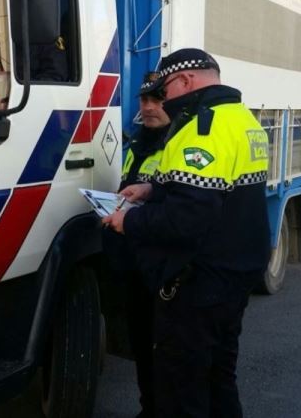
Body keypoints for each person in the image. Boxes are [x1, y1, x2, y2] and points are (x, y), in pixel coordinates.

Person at [103, 48, 271, 417]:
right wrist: (150, 190)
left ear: (185, 80)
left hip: (200, 283)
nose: (164, 100)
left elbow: (187, 219)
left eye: (165, 90)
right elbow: (216, 191)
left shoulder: (202, 127)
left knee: (183, 389)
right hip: (236, 272)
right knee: (219, 378)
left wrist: (127, 221)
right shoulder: (242, 119)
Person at [103, 71, 170, 418]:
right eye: (144, 100)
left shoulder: (177, 145)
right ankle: (149, 409)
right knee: (142, 346)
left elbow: (176, 208)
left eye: (157, 100)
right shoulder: (138, 143)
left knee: (163, 349)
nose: (148, 107)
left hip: (160, 266)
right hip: (134, 261)